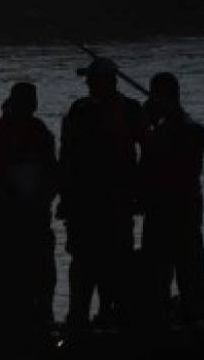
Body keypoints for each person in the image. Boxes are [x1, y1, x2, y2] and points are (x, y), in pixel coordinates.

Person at [59, 57, 148, 329]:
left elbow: (147, 146)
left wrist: (138, 190)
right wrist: (66, 197)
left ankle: (113, 312)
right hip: (84, 203)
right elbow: (67, 157)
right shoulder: (79, 110)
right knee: (83, 260)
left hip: (115, 201)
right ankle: (79, 316)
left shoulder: (130, 111)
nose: (87, 83)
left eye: (91, 79)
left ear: (106, 81)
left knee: (115, 259)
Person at [0, 82, 59, 330]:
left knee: (42, 270)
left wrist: (44, 197)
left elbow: (51, 171)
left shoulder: (39, 132)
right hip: (9, 218)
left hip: (36, 215)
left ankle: (41, 314)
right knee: (12, 270)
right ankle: (14, 318)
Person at [139, 72, 204, 324]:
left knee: (162, 263)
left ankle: (162, 312)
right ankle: (195, 309)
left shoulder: (167, 132)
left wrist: (147, 124)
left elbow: (149, 167)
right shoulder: (191, 128)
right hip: (186, 205)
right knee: (189, 261)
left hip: (167, 207)